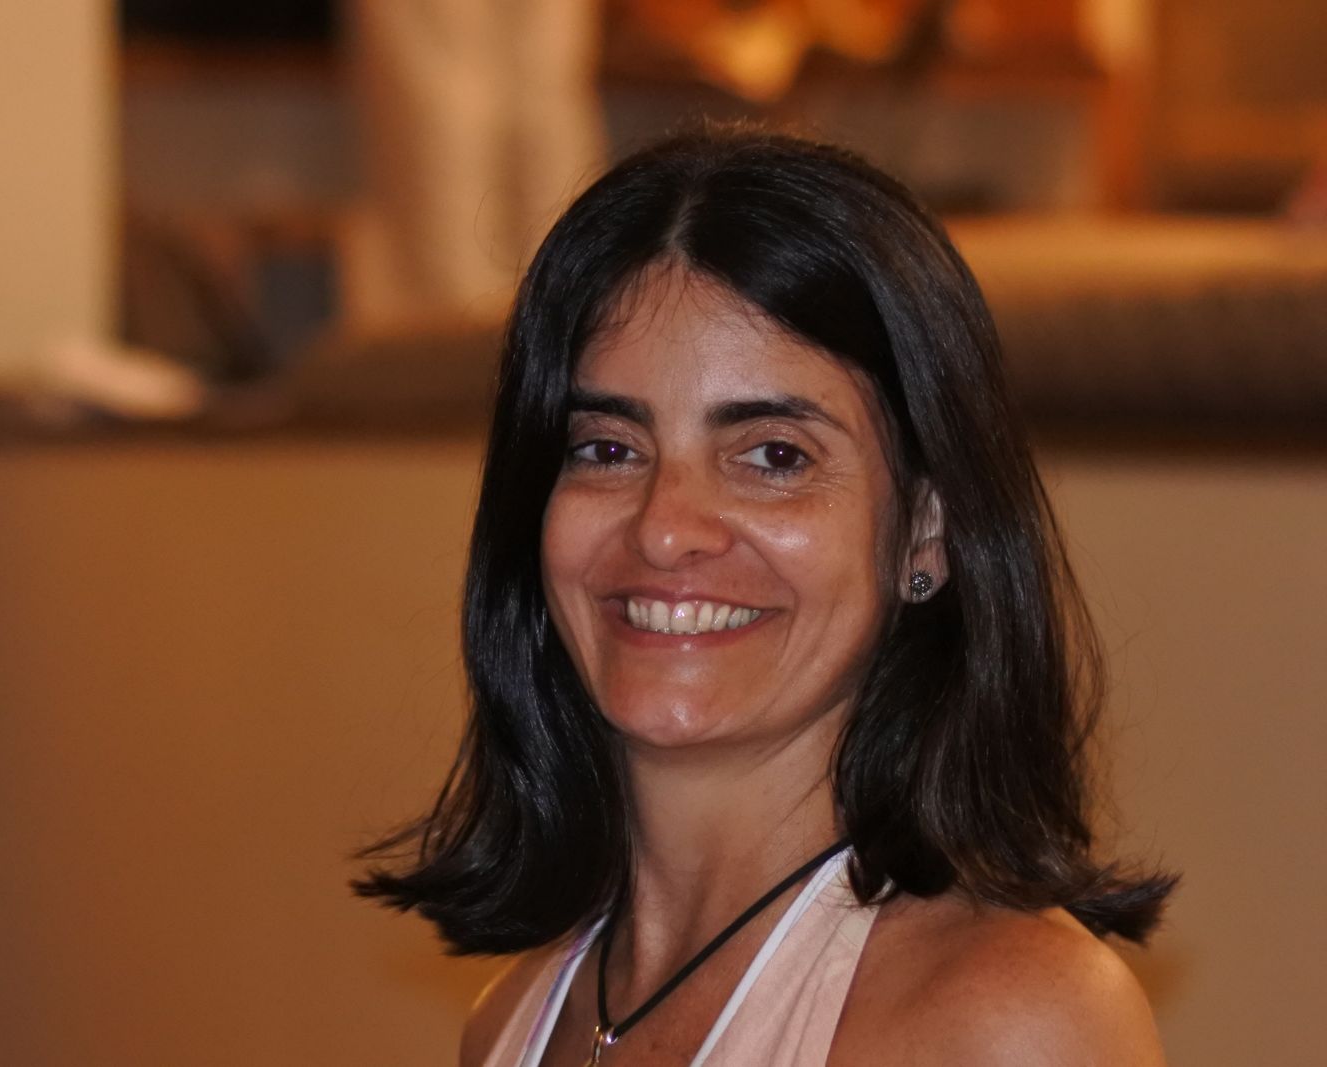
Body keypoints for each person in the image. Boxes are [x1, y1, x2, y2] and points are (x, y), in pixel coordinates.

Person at [357, 127, 1175, 1066]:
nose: (665, 527)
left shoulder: (1015, 1022)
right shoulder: (511, 1021)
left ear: (926, 529)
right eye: (608, 449)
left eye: (775, 456)